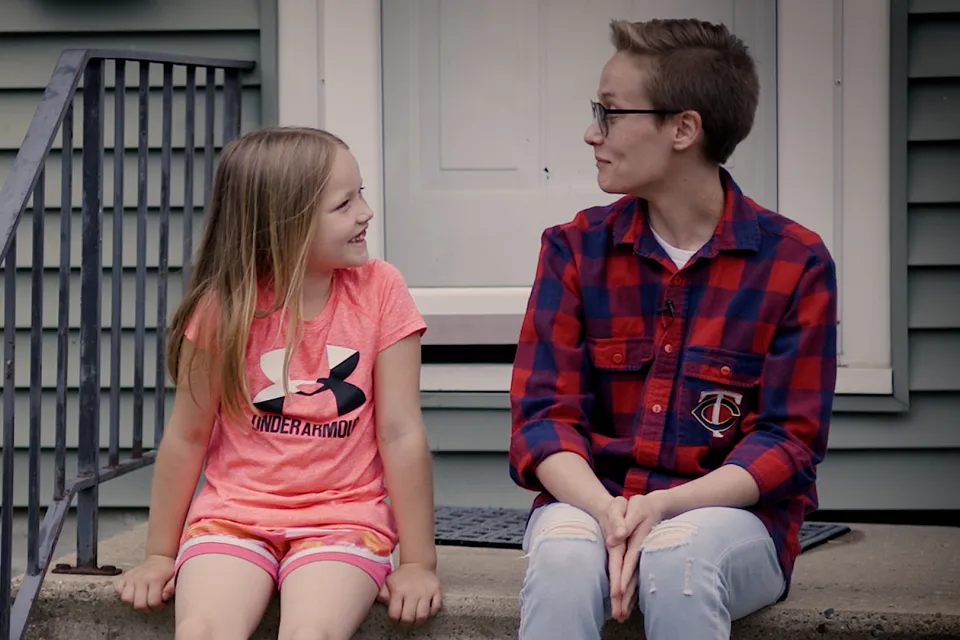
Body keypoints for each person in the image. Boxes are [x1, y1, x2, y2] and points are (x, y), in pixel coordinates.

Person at [509, 17, 838, 640]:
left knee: (678, 559)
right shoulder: (575, 250)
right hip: (589, 500)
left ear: (684, 128)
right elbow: (542, 420)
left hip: (731, 520)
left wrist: (661, 508)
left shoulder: (796, 263)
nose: (591, 133)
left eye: (609, 113)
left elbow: (788, 443)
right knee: (562, 561)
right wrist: (610, 513)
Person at [115, 127, 442, 639]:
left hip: (342, 520)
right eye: (343, 204)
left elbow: (400, 434)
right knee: (202, 630)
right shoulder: (225, 307)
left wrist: (419, 562)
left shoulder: (381, 292)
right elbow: (188, 436)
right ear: (283, 225)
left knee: (310, 633)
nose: (365, 212)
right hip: (233, 516)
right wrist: (160, 553)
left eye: (361, 194)